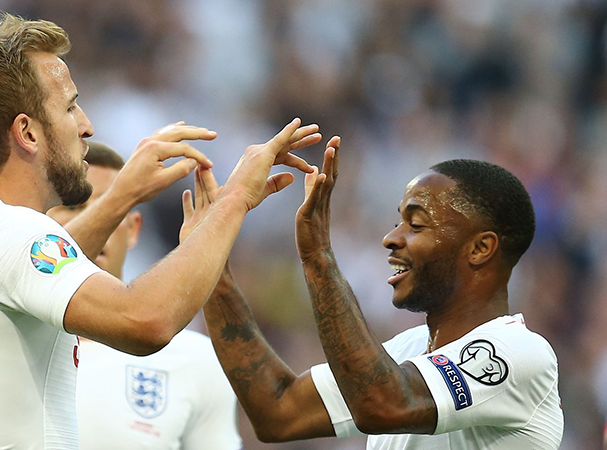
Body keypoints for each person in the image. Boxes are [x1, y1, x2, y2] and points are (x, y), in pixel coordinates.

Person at [0, 13, 322, 450]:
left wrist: (118, 197)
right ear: (26, 132)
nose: (86, 125)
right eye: (69, 106)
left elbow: (22, 272)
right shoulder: (4, 233)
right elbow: (146, 321)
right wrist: (234, 199)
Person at [184, 139, 564, 449]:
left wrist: (318, 257)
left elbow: (383, 404)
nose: (392, 238)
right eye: (398, 220)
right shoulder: (405, 353)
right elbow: (279, 412)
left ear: (480, 249)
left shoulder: (519, 354)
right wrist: (208, 262)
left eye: (416, 223)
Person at [47, 142, 242, 450]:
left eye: (111, 206)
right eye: (72, 207)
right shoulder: (6, 340)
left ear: (134, 228)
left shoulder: (195, 360)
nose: (99, 220)